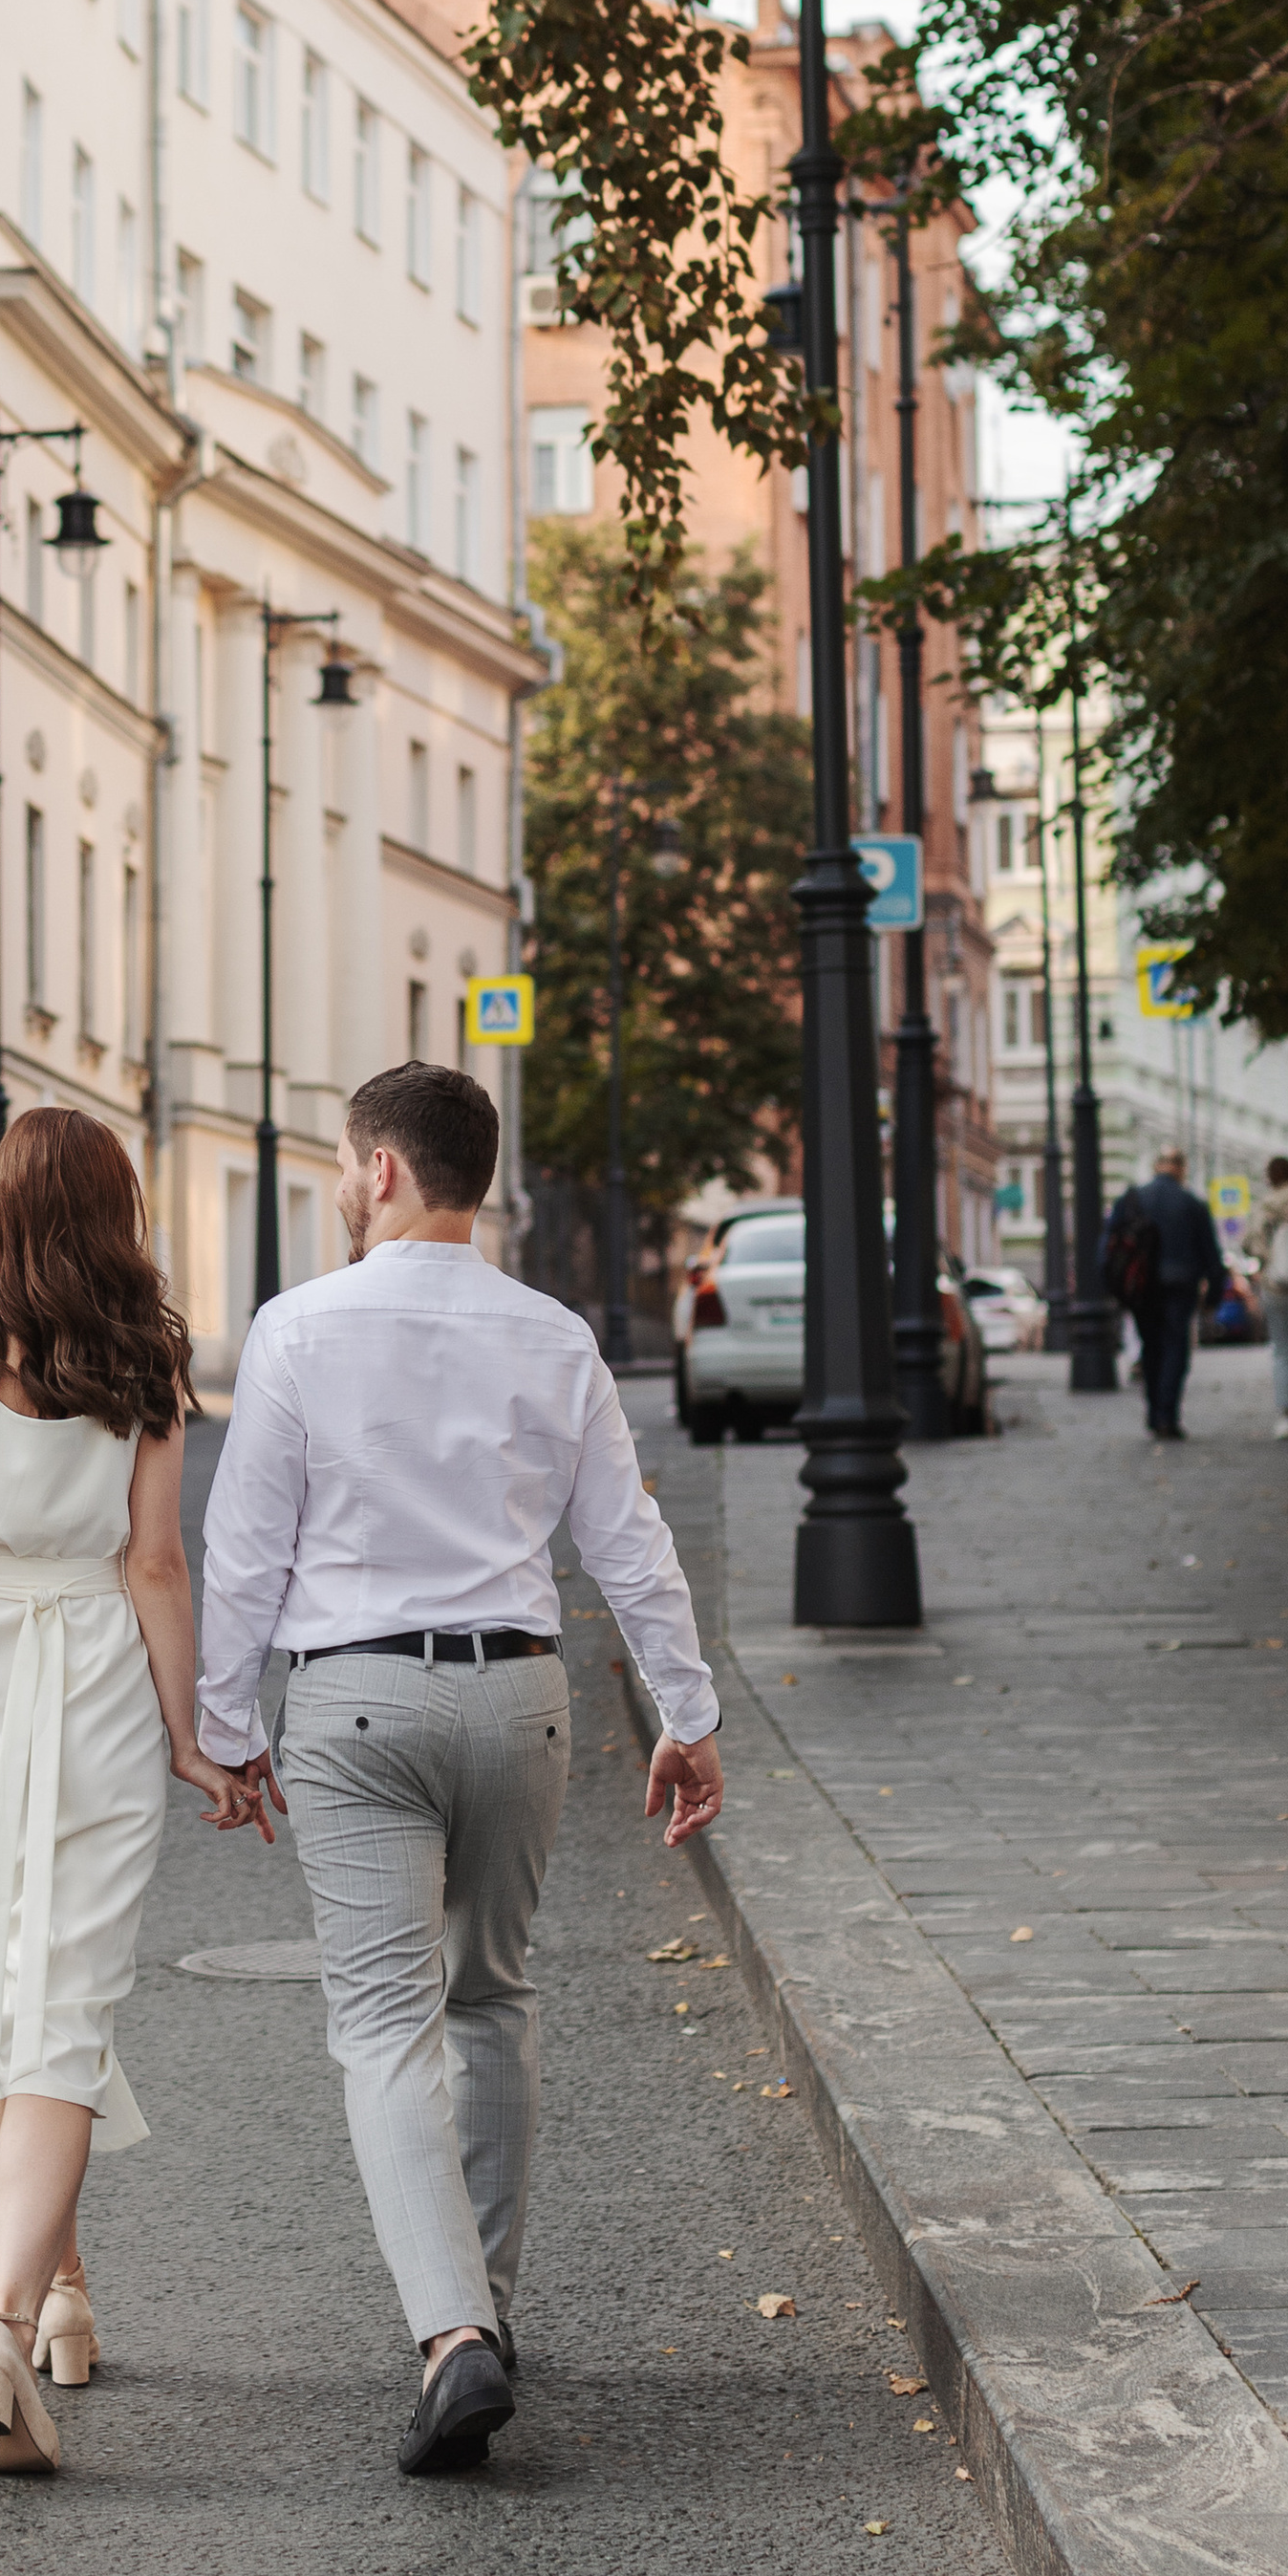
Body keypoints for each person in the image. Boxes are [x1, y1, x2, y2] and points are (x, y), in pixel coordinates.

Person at [197, 1060, 724, 2479]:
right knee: (492, 1997)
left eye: (345, 1165)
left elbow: (249, 1550)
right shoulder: (554, 1336)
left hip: (358, 1706)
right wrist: (688, 1709)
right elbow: (629, 1544)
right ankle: (481, 2307)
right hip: (522, 1705)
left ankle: (452, 2340)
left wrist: (224, 1729)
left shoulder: (299, 1329)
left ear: (380, 1172)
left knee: (383, 2025)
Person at [0, 1107, 247, 2479]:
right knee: (58, 1999)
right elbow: (156, 1568)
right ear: (115, 1219)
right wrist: (192, 1736)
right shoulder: (151, 1360)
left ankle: (64, 2295)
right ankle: (8, 2326)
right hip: (89, 1694)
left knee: (19, 1994)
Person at [1105, 1142, 1227, 1440]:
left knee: (1151, 1346)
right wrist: (1213, 1297)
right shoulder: (1192, 1203)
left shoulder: (1133, 1199)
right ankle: (1166, 1416)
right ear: (1181, 1169)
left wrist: (1113, 1289)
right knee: (1175, 1348)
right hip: (1180, 1287)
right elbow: (1212, 1255)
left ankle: (1153, 1411)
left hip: (1143, 1287)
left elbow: (1109, 1247)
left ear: (1156, 1166)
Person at [1242, 1158, 1288, 1439]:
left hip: (1275, 1285)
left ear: (1270, 1178)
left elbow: (1250, 1243)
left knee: (1281, 1350)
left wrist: (1268, 1259)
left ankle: (1285, 1416)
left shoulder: (1264, 1205)